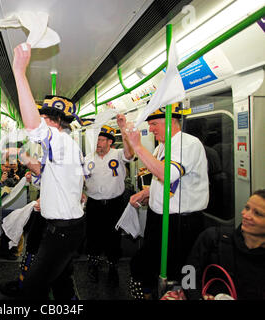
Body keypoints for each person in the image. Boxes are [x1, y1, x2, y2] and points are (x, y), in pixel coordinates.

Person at [11, 42, 86, 299]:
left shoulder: (60, 140)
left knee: (34, 287)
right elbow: (54, 174)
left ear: (49, 120)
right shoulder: (65, 145)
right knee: (61, 282)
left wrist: (20, 73)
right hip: (66, 226)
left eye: (42, 116)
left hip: (63, 230)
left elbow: (33, 128)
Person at [124, 104, 209, 299]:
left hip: (180, 223)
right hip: (159, 217)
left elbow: (166, 174)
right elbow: (159, 178)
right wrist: (147, 194)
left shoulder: (187, 144)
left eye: (154, 124)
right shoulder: (162, 146)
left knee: (178, 273)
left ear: (171, 122)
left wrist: (137, 146)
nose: (151, 129)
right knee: (145, 265)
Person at [185, 189, 265, 300]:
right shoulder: (213, 239)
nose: (246, 215)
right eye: (247, 208)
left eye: (257, 213)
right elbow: (187, 278)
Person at [84, 119, 134, 286]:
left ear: (110, 142)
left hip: (114, 204)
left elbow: (130, 154)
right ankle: (93, 265)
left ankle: (113, 267)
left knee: (113, 237)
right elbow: (80, 178)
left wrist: (123, 130)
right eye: (97, 139)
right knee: (93, 236)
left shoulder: (118, 154)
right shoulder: (88, 158)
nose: (98, 143)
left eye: (101, 139)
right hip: (93, 204)